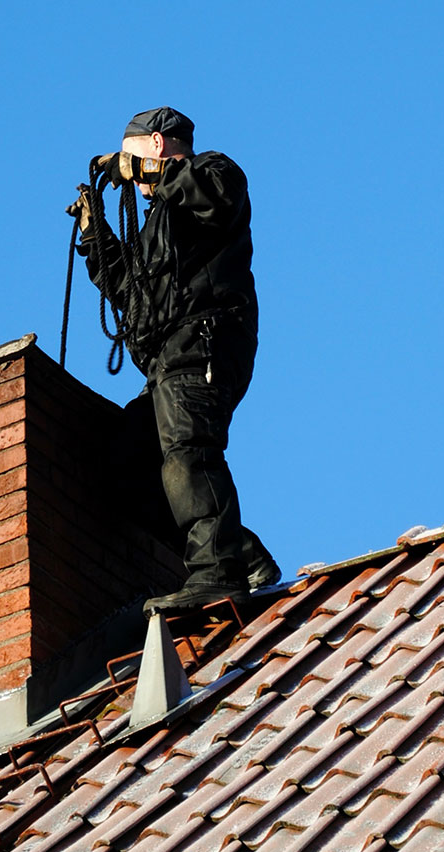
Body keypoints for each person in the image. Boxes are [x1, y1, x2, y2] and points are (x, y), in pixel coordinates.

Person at [69, 106, 279, 616]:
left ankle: (216, 574)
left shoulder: (215, 172)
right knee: (128, 466)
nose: (128, 176)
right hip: (165, 358)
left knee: (188, 451)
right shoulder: (157, 223)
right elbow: (131, 291)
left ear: (157, 145)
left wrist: (137, 171)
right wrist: (97, 235)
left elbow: (202, 194)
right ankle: (241, 555)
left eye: (132, 156)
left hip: (204, 339)